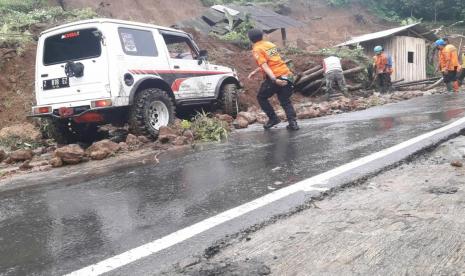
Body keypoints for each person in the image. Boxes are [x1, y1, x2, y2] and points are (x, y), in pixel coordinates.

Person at [247, 28, 299, 131]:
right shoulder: (270, 45)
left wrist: (274, 80)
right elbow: (273, 61)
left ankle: (273, 118)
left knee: (261, 97)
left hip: (276, 76)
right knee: (285, 100)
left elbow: (265, 66)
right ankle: (293, 123)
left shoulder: (256, 49)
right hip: (287, 74)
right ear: (262, 36)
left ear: (250, 39)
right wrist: (255, 71)